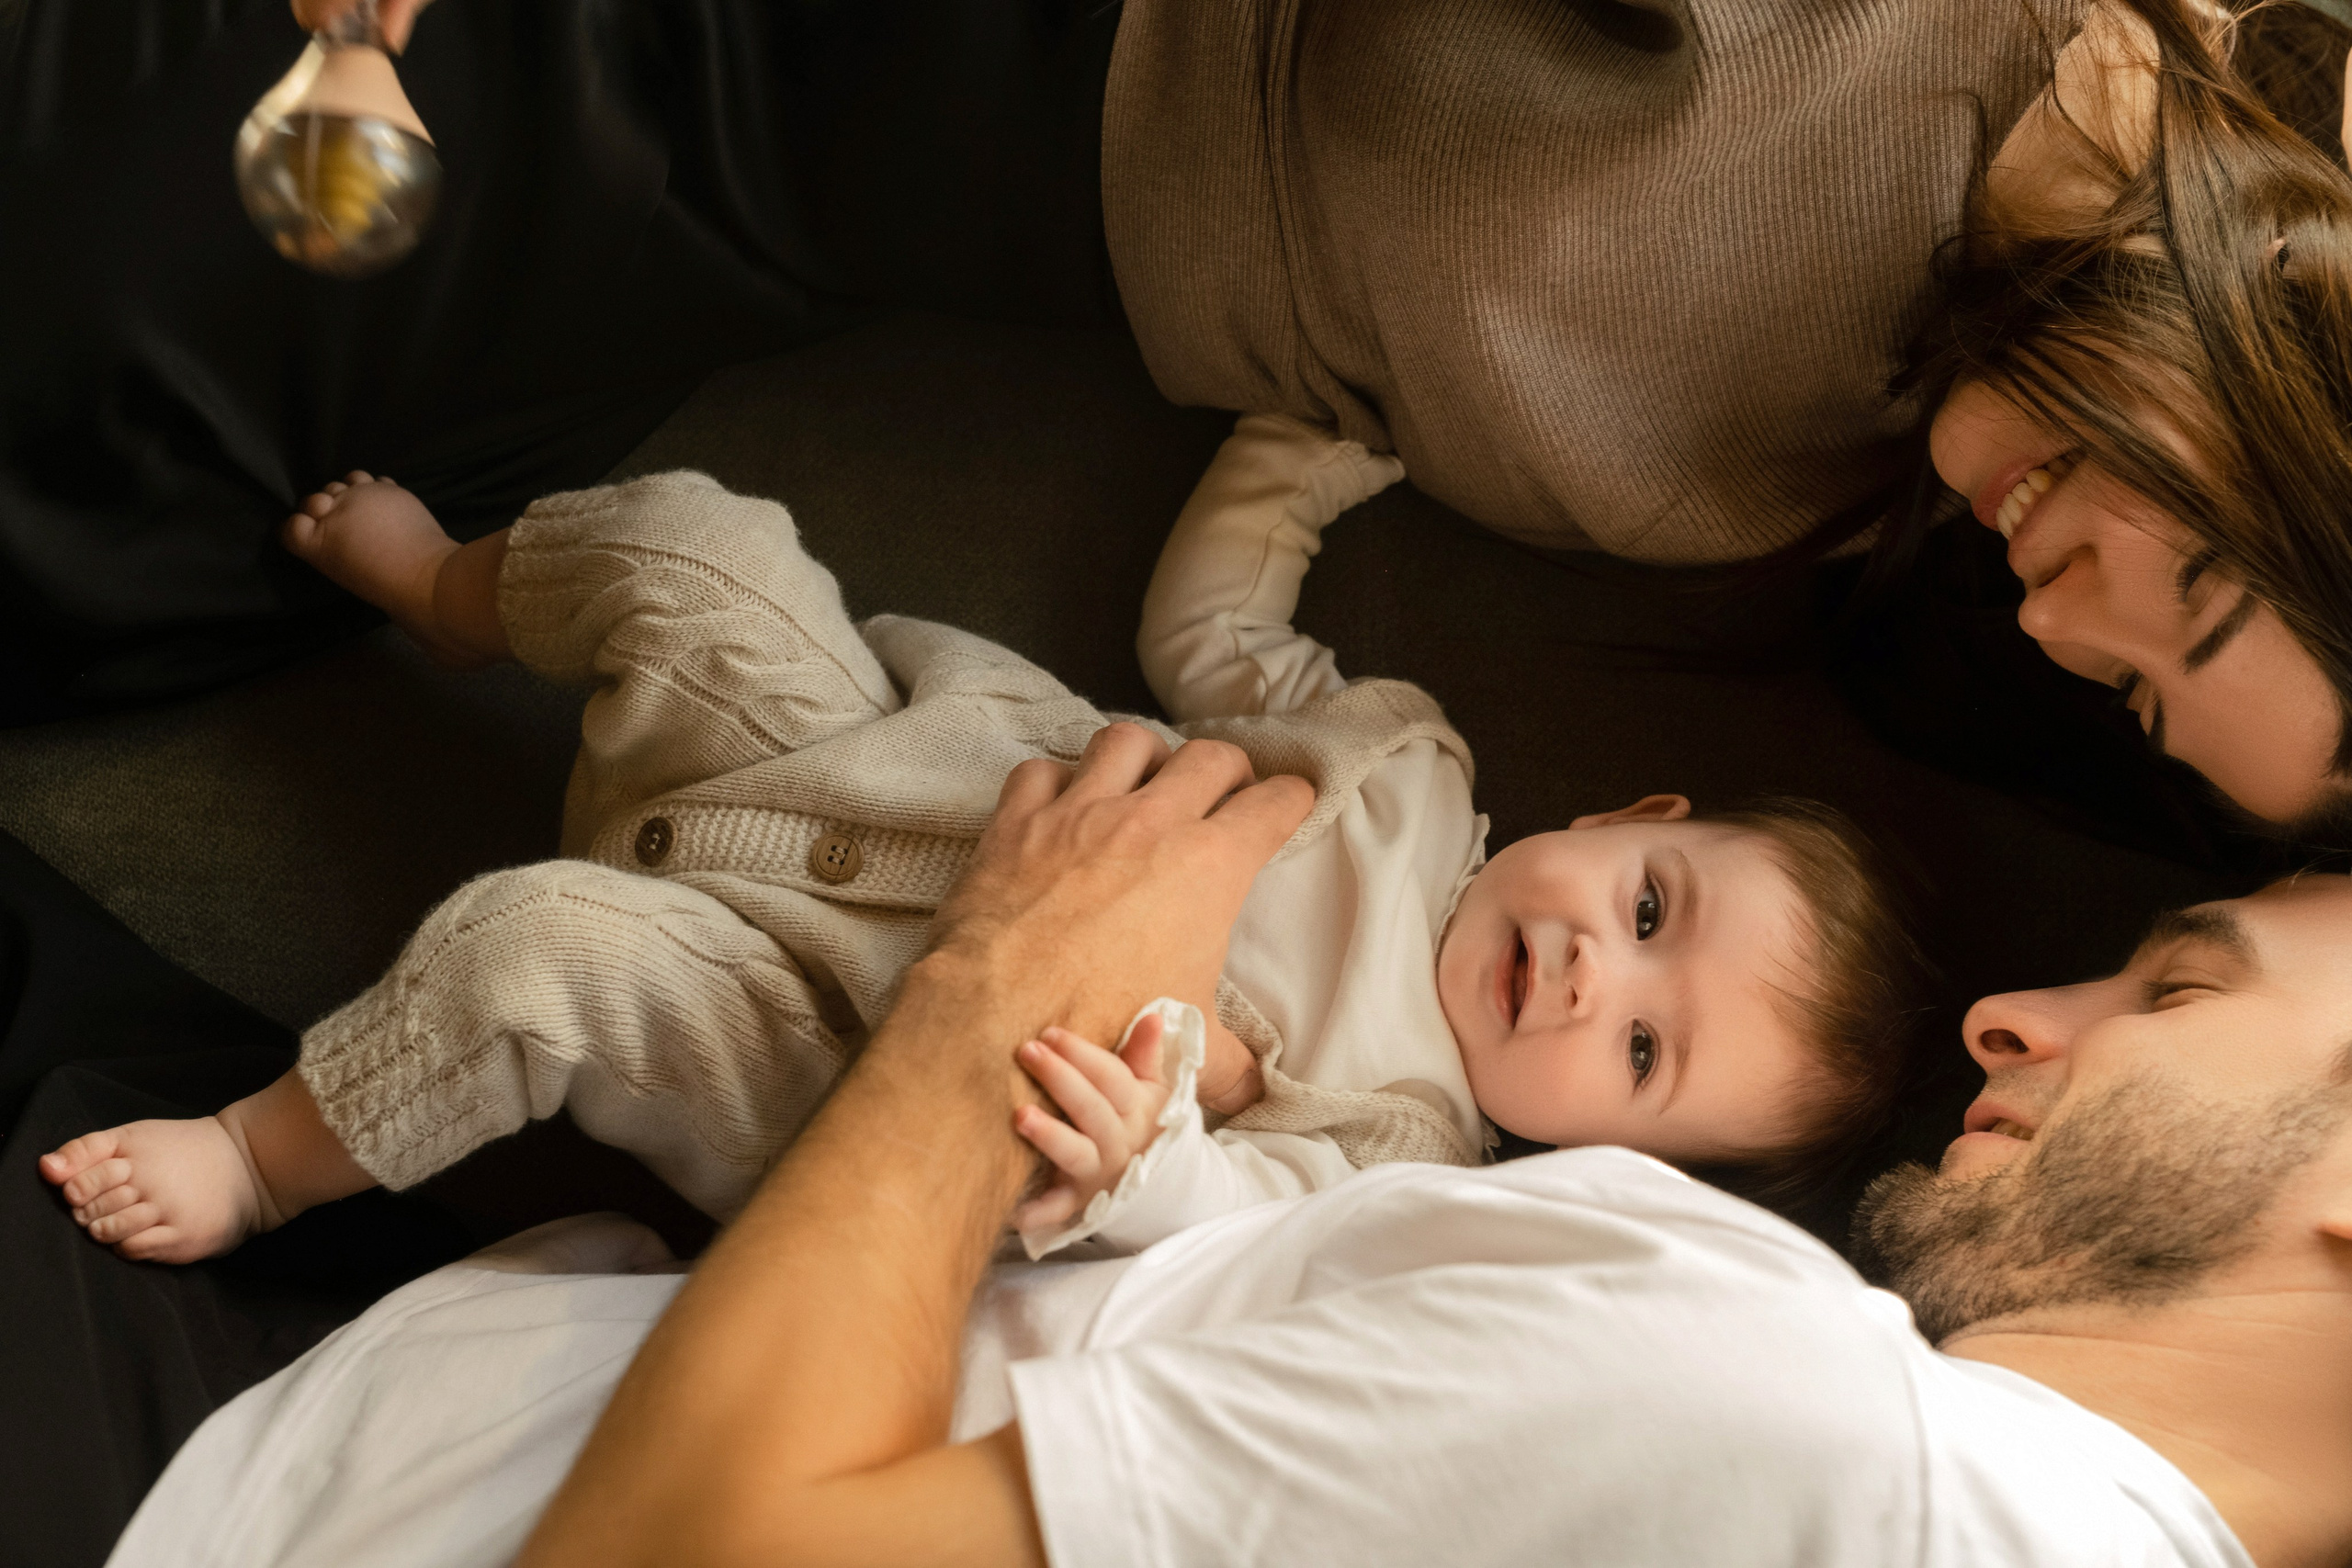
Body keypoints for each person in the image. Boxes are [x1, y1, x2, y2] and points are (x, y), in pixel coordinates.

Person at [100, 728, 2352, 1567]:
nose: (2017, 1015)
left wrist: (1020, 967)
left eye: (2176, 989)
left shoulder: (1805, 1425)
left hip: (279, 1489)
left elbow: (678, 1550)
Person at [38, 456, 1926, 1265]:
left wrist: (1146, 1159)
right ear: (1638, 820)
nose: (1598, 970)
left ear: (1596, 1147)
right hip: (842, 752)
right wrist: (1283, 473)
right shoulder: (1408, 763)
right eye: (1651, 912)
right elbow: (1222, 647)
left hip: (810, 1036)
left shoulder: (1400, 1139)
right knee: (699, 548)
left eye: (1643, 1051)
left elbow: (1217, 1221)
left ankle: (266, 1154)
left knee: (537, 953)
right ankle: (455, 590)